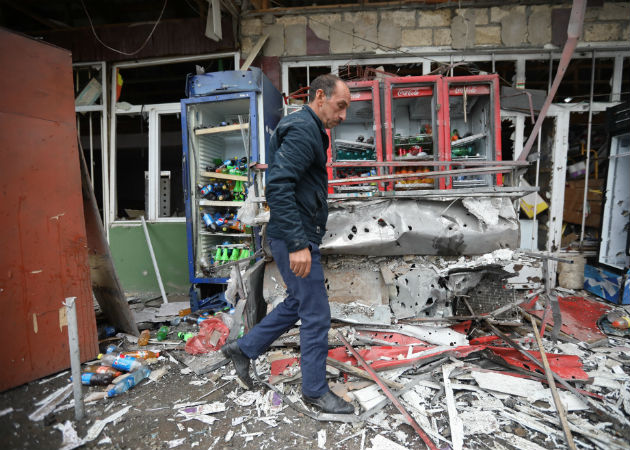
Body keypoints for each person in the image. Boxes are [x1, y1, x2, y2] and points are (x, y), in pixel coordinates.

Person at [222, 74, 353, 414]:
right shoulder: (302, 129)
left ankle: (244, 348)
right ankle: (314, 391)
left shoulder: (309, 129)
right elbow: (278, 185)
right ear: (320, 96)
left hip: (296, 233)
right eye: (340, 106)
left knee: (299, 303)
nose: (343, 117)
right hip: (294, 237)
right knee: (316, 313)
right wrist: (298, 244)